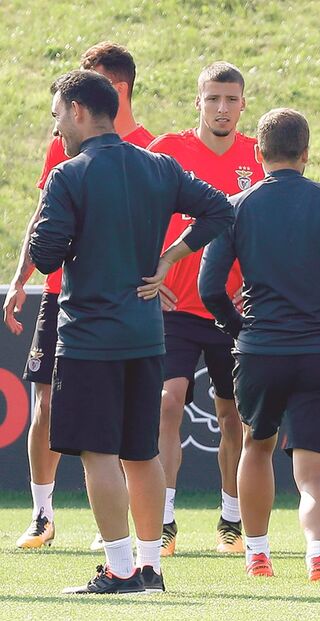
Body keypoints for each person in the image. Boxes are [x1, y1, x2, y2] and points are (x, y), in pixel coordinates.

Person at [29, 69, 232, 594]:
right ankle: (151, 569)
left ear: (77, 110)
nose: (57, 130)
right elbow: (219, 210)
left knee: (99, 455)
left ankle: (119, 569)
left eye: (57, 117)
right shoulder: (160, 166)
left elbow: (47, 254)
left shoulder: (69, 175)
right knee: (141, 454)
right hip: (147, 335)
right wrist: (168, 259)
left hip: (89, 337)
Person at [199, 108, 320, 581]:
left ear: (258, 153)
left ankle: (257, 552)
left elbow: (210, 287)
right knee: (314, 473)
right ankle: (319, 553)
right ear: (306, 154)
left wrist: (241, 331)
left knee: (256, 447)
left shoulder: (234, 204)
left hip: (261, 349)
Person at [4, 41, 156, 551]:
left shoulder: (150, 150)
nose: (61, 116)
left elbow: (173, 219)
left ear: (112, 90)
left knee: (120, 425)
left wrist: (165, 276)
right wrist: (21, 274)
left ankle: (114, 533)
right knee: (44, 401)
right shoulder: (63, 144)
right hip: (61, 295)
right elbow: (43, 216)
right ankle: (42, 515)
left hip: (121, 303)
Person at [148, 61, 265, 557]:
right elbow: (134, 213)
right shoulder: (166, 152)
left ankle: (231, 521)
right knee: (167, 401)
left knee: (233, 416)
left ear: (243, 104)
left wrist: (256, 290)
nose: (222, 108)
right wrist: (149, 275)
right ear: (197, 101)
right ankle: (166, 519)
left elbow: (268, 234)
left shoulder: (258, 159)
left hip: (231, 308)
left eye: (231, 99)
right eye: (213, 98)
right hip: (174, 306)